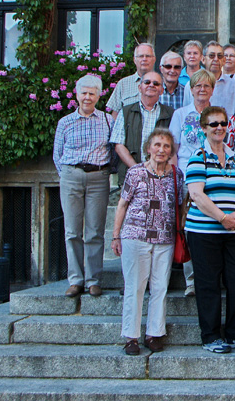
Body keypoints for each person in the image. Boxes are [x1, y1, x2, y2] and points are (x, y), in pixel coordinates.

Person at [184, 107, 235, 354]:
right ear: (204, 128)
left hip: (234, 231)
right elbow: (196, 193)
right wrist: (222, 218)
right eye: (213, 124)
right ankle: (210, 336)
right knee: (208, 284)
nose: (219, 127)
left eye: (223, 123)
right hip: (204, 232)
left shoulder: (234, 157)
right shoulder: (198, 157)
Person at [111, 128, 183, 355]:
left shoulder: (176, 174)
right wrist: (115, 235)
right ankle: (131, 337)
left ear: (171, 151)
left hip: (165, 238)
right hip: (135, 236)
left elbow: (180, 206)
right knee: (135, 286)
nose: (161, 150)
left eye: (166, 146)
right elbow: (122, 205)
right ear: (148, 148)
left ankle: (154, 333)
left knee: (160, 287)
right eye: (157, 145)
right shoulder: (135, 173)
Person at [53, 74, 115, 298]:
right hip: (71, 176)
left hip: (98, 178)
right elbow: (57, 155)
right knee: (72, 231)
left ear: (99, 95)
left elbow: (113, 149)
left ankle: (94, 280)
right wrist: (69, 175)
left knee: (95, 231)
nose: (87, 97)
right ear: (76, 95)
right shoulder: (65, 122)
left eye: (92, 93)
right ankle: (76, 279)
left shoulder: (108, 120)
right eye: (84, 93)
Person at [111, 71, 174, 183]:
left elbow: (174, 148)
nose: (151, 85)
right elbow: (118, 145)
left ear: (161, 90)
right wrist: (139, 170)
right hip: (131, 176)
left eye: (156, 83)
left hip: (161, 177)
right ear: (140, 87)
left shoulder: (171, 114)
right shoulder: (126, 112)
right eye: (147, 82)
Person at [170, 69, 216, 168]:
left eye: (206, 86)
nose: (202, 89)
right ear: (191, 90)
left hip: (212, 172)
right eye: (198, 86)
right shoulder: (180, 114)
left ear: (212, 90)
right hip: (186, 173)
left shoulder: (217, 115)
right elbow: (172, 151)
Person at [107, 43, 156, 111]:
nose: (144, 59)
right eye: (141, 56)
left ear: (154, 59)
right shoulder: (123, 84)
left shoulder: (161, 83)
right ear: (134, 60)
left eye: (148, 56)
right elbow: (115, 115)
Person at [201, 41, 235, 116]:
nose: (216, 59)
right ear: (203, 59)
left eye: (219, 56)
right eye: (211, 56)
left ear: (224, 60)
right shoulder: (192, 86)